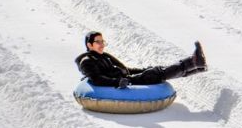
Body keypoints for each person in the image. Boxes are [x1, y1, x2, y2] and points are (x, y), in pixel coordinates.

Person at [76, 32, 207, 88]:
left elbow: (125, 70)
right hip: (121, 85)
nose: (102, 44)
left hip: (125, 79)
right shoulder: (87, 61)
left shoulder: (103, 56)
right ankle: (193, 62)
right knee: (154, 74)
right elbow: (97, 79)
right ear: (89, 45)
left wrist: (143, 69)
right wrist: (118, 82)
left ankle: (197, 67)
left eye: (102, 41)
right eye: (98, 42)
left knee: (153, 70)